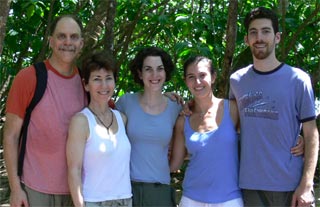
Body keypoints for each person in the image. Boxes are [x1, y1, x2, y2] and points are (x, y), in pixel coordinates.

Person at [229, 7, 319, 207]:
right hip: (249, 187)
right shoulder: (236, 81)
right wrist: (187, 106)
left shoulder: (298, 79)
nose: (259, 37)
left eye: (265, 31)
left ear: (277, 37)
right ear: (246, 39)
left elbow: (311, 133)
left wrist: (306, 184)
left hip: (290, 186)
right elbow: (227, 124)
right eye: (253, 32)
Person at [3, 14, 86, 206]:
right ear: (50, 41)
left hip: (75, 191)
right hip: (34, 190)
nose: (67, 42)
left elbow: (114, 114)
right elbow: (10, 136)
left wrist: (165, 97)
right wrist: (16, 189)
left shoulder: (87, 82)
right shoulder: (29, 77)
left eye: (74, 37)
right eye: (61, 36)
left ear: (81, 43)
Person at [170, 56, 243, 207]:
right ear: (186, 81)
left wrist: (298, 140)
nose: (197, 82)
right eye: (191, 77)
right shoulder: (183, 120)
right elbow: (174, 165)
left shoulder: (233, 109)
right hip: (191, 199)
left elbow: (259, 134)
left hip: (230, 200)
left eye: (202, 75)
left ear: (213, 77)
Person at [116, 46, 182, 207]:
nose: (154, 75)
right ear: (140, 73)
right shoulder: (125, 103)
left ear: (166, 73)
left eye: (160, 69)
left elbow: (181, 151)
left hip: (160, 191)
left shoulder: (176, 107)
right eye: (148, 69)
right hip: (127, 189)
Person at [66, 51, 132, 207]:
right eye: (97, 79)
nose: (104, 85)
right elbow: (74, 170)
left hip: (125, 199)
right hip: (94, 201)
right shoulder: (81, 121)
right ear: (86, 85)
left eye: (108, 78)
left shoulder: (121, 118)